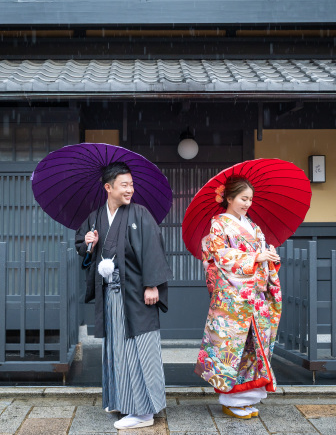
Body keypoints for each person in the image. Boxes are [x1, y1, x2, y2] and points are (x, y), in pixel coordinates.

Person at [75, 161, 174, 430]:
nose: (130, 189)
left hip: (136, 294)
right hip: (111, 296)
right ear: (108, 187)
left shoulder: (140, 213)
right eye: (124, 185)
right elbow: (81, 247)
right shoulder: (95, 217)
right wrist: (88, 243)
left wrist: (153, 284)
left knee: (140, 348)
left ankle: (144, 411)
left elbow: (154, 248)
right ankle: (123, 401)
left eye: (131, 184)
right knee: (117, 349)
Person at [194, 176, 282, 419]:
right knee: (234, 348)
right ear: (229, 198)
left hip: (256, 296)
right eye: (244, 199)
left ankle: (247, 398)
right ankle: (231, 400)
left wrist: (269, 256)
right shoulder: (219, 225)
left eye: (250, 199)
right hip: (232, 299)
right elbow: (220, 256)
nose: (248, 204)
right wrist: (254, 258)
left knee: (255, 347)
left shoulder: (253, 227)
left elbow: (260, 254)